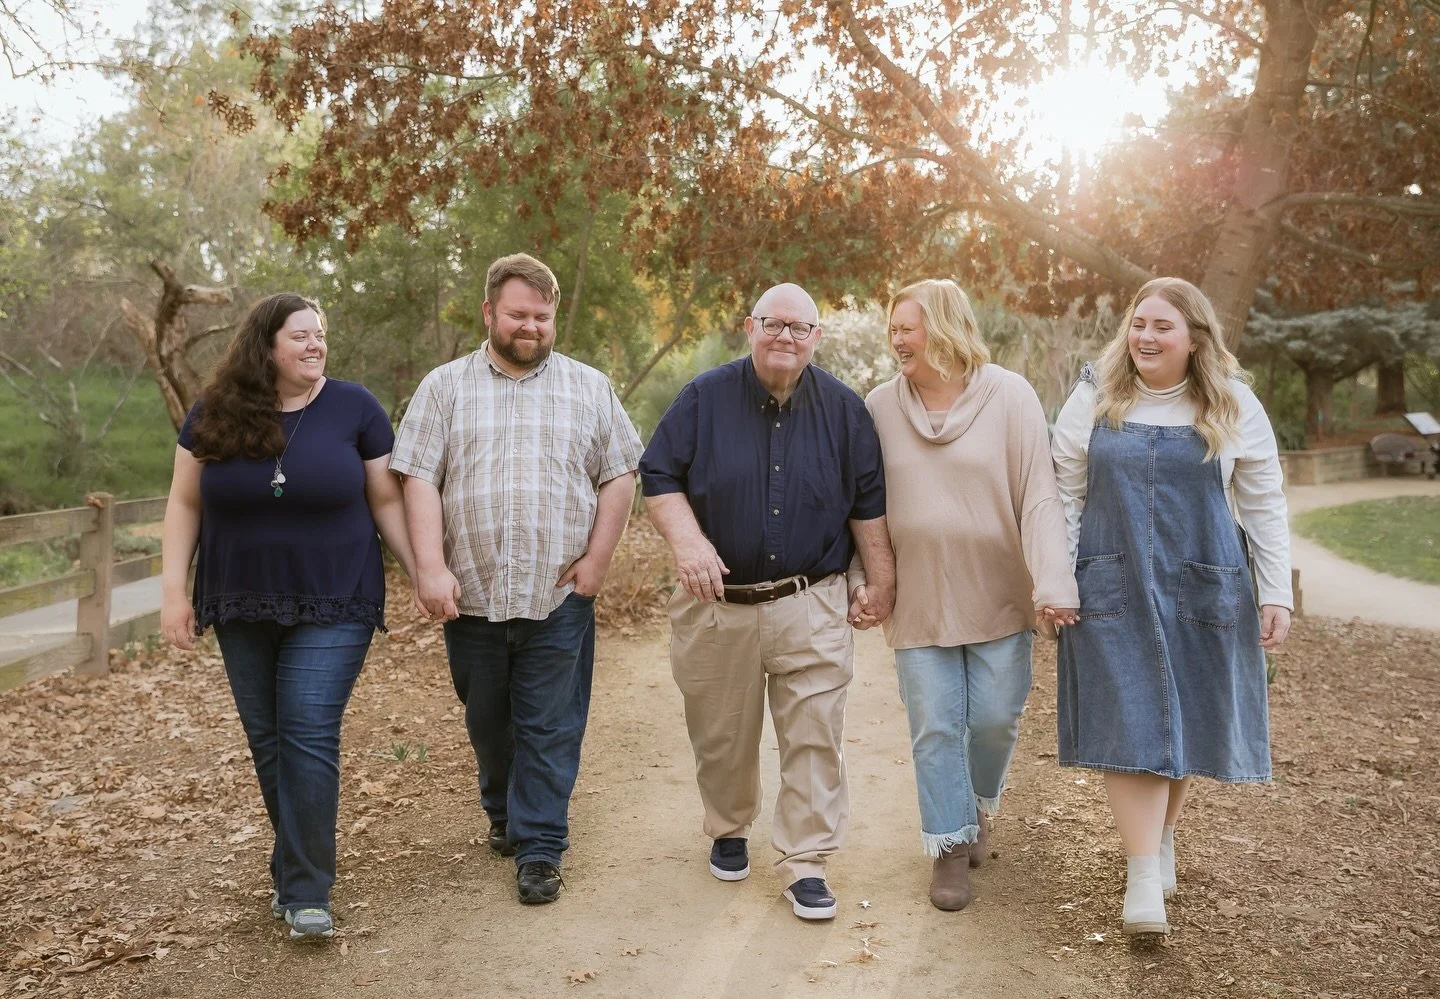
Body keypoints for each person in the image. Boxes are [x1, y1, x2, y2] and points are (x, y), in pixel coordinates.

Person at [160, 293, 416, 942]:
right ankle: (291, 860)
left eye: (320, 334)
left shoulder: (355, 407)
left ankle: (306, 890)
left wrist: (424, 570)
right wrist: (172, 591)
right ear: (265, 345)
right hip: (241, 598)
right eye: (300, 334)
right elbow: (184, 504)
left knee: (305, 728)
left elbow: (386, 498)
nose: (314, 344)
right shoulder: (212, 414)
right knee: (269, 739)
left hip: (336, 596)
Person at [390, 252, 642, 905]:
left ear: (554, 317)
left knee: (550, 722)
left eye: (541, 315)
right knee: (488, 721)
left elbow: (619, 473)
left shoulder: (590, 388)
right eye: (518, 314)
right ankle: (503, 807)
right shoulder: (444, 387)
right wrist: (429, 568)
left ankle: (539, 846)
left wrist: (598, 559)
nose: (530, 326)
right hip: (469, 596)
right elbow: (418, 476)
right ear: (489, 313)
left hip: (558, 595)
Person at [640, 282, 894, 922]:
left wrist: (880, 579)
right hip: (716, 603)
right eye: (773, 324)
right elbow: (658, 474)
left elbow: (868, 502)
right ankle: (728, 827)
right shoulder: (703, 398)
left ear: (817, 337)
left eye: (799, 327)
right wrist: (690, 545)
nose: (785, 336)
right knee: (722, 734)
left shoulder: (844, 409)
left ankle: (807, 862)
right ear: (748, 327)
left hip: (810, 600)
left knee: (815, 735)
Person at [1050, 276, 1292, 936]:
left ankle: (1159, 838)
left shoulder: (1233, 402)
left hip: (1202, 581)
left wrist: (1277, 593)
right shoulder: (1094, 395)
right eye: (1138, 322)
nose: (1146, 336)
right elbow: (1064, 491)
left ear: (1195, 339)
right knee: (1132, 720)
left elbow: (1265, 502)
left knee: (1184, 718)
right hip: (1111, 580)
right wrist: (1056, 579)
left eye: (1162, 326)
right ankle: (1141, 877)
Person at [849, 278, 1078, 912]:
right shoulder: (879, 407)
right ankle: (949, 846)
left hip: (999, 592)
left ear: (946, 326)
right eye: (892, 328)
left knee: (996, 720)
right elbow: (861, 505)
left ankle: (975, 805)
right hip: (920, 595)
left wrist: (1053, 582)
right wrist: (862, 578)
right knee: (935, 726)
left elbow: (1038, 495)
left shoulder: (1010, 396)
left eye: (908, 327)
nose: (897, 338)